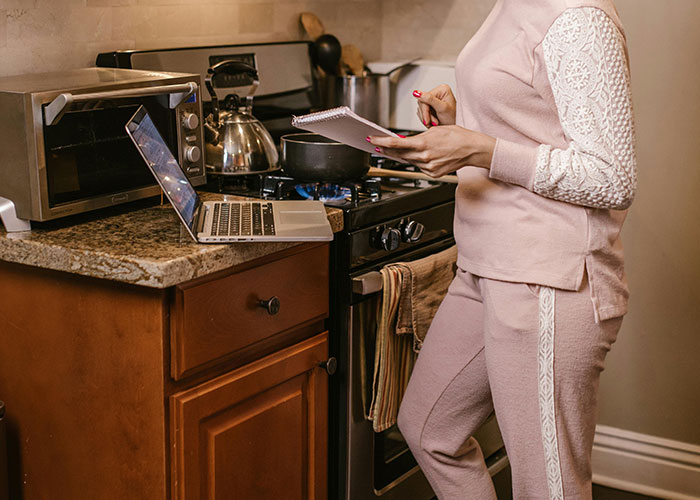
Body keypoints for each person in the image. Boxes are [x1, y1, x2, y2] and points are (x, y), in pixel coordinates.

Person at [368, 0, 637, 498]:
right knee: (430, 432)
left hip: (548, 279)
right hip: (483, 266)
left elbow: (611, 177)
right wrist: (462, 121)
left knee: (547, 489)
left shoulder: (580, 18)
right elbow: (534, 121)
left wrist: (479, 149)